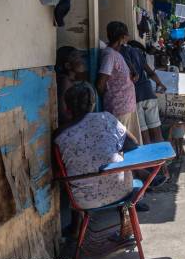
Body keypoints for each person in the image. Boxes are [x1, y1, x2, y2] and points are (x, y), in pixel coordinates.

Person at [54, 82, 135, 210]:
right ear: (93, 104)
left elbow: (57, 170)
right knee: (119, 155)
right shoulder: (106, 118)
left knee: (73, 170)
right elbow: (132, 144)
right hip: (122, 191)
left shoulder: (59, 135)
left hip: (84, 201)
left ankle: (77, 227)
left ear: (67, 107)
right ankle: (124, 215)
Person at [97, 21, 143, 144]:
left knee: (133, 144)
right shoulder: (109, 55)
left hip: (127, 107)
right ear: (123, 37)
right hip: (119, 108)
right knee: (124, 146)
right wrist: (111, 96)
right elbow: (101, 83)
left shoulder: (117, 54)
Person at [121, 40, 167, 145]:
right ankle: (162, 157)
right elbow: (150, 72)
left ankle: (150, 158)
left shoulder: (120, 53)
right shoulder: (137, 53)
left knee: (143, 132)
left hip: (135, 96)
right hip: (148, 93)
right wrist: (160, 83)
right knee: (156, 128)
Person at [55, 46, 86, 125]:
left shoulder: (70, 80)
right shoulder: (65, 81)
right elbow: (63, 111)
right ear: (68, 66)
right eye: (78, 60)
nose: (82, 62)